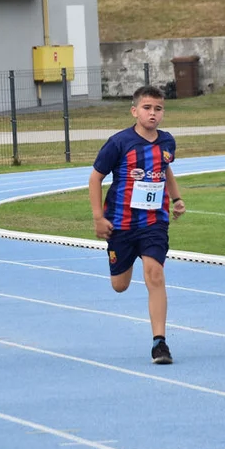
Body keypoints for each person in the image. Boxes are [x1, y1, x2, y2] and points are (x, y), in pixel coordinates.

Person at [89, 85, 185, 365]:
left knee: (154, 275)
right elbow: (95, 178)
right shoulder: (119, 143)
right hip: (121, 224)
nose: (153, 113)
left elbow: (165, 168)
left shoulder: (167, 142)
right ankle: (121, 259)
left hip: (154, 222)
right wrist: (98, 217)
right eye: (147, 108)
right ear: (134, 111)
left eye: (158, 108)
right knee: (120, 285)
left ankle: (160, 343)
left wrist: (176, 198)